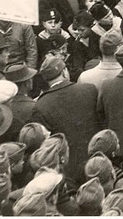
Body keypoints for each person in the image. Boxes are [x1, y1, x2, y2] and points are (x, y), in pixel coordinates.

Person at [31, 54, 102, 182]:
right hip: (95, 162)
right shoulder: (89, 90)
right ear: (64, 72)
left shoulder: (41, 105)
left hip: (67, 170)